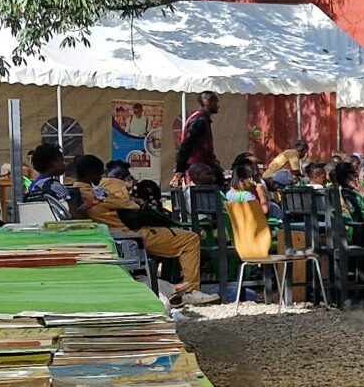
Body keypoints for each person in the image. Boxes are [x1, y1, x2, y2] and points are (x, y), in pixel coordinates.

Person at [71, 153, 214, 306]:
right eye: (99, 174)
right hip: (132, 236)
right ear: (91, 174)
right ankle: (192, 291)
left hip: (112, 236)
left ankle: (174, 288)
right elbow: (130, 205)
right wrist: (137, 201)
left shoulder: (75, 191)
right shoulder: (98, 193)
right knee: (189, 239)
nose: (101, 178)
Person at [23, 143, 83, 219]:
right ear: (53, 164)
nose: (64, 165)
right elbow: (72, 213)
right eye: (61, 161)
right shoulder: (55, 186)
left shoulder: (34, 185)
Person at [176, 93, 221, 178]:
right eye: (216, 102)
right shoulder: (199, 120)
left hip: (202, 170)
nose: (218, 106)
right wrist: (180, 170)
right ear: (207, 102)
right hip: (197, 173)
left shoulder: (203, 119)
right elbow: (186, 145)